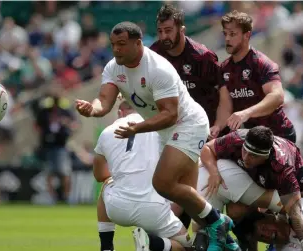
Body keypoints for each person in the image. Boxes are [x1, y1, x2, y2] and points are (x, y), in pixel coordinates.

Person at [76, 21, 236, 251]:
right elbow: (104, 98)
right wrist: (93, 109)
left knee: (163, 183)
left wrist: (137, 129)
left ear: (138, 43)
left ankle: (219, 221)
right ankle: (229, 244)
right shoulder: (114, 67)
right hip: (165, 129)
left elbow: (171, 115)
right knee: (188, 199)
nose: (116, 49)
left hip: (188, 123)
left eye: (122, 44)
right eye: (113, 44)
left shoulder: (157, 69)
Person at [200, 126, 303, 251]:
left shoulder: (282, 168)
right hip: (251, 180)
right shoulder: (237, 139)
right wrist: (214, 172)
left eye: (253, 156)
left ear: (265, 156)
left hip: (295, 170)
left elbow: (294, 210)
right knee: (236, 211)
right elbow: (207, 148)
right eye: (245, 151)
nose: (245, 158)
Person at [93, 100, 191, 251]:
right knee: (187, 247)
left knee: (108, 184)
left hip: (118, 209)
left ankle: (106, 246)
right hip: (154, 209)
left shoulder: (107, 132)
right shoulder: (161, 128)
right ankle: (153, 244)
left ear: (120, 112)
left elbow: (100, 175)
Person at [151, 4, 231, 140]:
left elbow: (224, 96)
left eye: (168, 30)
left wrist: (217, 127)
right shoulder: (154, 54)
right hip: (171, 129)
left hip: (204, 129)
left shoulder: (203, 57)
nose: (164, 36)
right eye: (160, 31)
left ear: (182, 30)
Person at [219, 10, 296, 142]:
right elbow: (225, 105)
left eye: (232, 34)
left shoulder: (262, 63)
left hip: (279, 135)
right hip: (252, 139)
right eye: (225, 34)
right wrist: (217, 126)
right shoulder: (224, 68)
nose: (227, 38)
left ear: (247, 35)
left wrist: (247, 113)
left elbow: (277, 96)